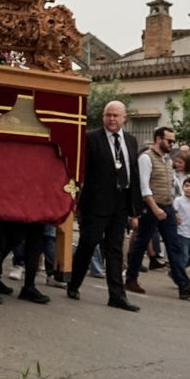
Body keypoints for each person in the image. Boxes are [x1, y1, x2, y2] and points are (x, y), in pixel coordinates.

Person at [67, 101, 143, 311]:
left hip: (120, 203)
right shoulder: (91, 138)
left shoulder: (130, 141)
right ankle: (74, 283)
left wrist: (134, 207)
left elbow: (133, 173)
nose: (111, 119)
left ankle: (117, 296)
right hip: (96, 203)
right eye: (108, 115)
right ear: (103, 117)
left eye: (116, 115)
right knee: (88, 245)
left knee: (115, 250)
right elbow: (81, 171)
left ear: (124, 118)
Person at [124, 127, 190, 301]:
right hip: (151, 207)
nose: (172, 144)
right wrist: (155, 208)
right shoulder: (146, 158)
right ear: (158, 139)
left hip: (168, 207)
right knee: (142, 243)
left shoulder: (167, 159)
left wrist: (173, 210)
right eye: (169, 141)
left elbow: (171, 186)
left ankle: (184, 286)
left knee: (174, 246)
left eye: (173, 141)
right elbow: (144, 186)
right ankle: (131, 279)